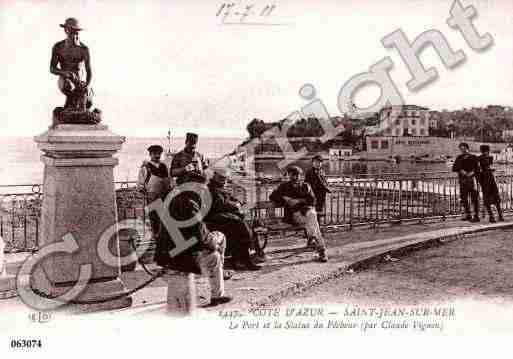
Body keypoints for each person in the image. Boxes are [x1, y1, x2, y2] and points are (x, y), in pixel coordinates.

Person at [269, 166, 328, 262]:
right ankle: (321, 250)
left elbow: (313, 201)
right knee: (314, 223)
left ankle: (316, 242)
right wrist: (286, 198)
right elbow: (272, 196)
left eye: (297, 175)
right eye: (293, 175)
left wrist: (298, 200)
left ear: (300, 176)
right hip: (294, 215)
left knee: (312, 216)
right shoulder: (284, 186)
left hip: (307, 212)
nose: (295, 177)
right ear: (288, 175)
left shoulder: (306, 186)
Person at [205, 168, 261, 271]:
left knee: (243, 224)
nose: (224, 181)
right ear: (215, 177)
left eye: (225, 179)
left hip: (223, 217)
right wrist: (235, 206)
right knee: (239, 225)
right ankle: (243, 260)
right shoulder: (211, 189)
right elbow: (220, 205)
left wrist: (238, 203)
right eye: (221, 178)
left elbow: (231, 199)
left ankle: (245, 258)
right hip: (213, 219)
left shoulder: (220, 188)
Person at [50, 18, 96, 119]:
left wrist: (86, 84)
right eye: (72, 31)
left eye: (77, 32)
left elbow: (89, 70)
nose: (75, 35)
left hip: (80, 81)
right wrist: (65, 73)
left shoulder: (83, 49)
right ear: (66, 30)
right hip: (65, 80)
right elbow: (52, 68)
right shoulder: (58, 47)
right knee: (68, 86)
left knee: (87, 101)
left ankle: (75, 106)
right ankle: (71, 104)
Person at [136, 145, 170, 241]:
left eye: (159, 153)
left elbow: (168, 181)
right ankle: (156, 237)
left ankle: (164, 237)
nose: (157, 155)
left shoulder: (164, 166)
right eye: (155, 153)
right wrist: (143, 191)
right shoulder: (145, 167)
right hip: (152, 196)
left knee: (165, 217)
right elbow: (140, 184)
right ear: (150, 154)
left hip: (164, 195)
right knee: (154, 217)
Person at [452, 142, 480, 222]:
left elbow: (478, 168)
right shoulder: (459, 157)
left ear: (467, 148)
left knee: (474, 198)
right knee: (464, 198)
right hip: (463, 181)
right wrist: (461, 171)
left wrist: (473, 172)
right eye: (461, 149)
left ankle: (476, 216)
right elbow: (454, 168)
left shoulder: (473, 157)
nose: (463, 150)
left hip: (472, 180)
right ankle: (468, 214)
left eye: (464, 148)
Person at [477, 145, 504, 223]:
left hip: (490, 179)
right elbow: (479, 170)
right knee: (488, 199)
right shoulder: (480, 158)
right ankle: (492, 216)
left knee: (496, 197)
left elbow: (488, 167)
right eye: (485, 150)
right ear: (483, 151)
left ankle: (499, 215)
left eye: (487, 150)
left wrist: (490, 169)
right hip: (485, 180)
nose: (487, 152)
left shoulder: (489, 158)